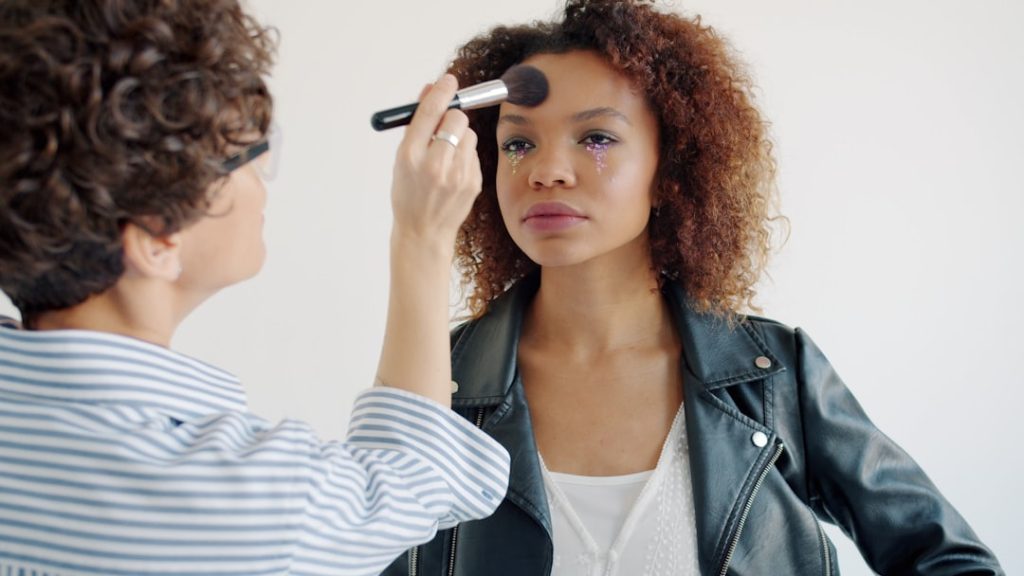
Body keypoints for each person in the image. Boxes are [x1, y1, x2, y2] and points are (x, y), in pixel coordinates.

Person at [381, 1, 1004, 575]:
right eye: (518, 142)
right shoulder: (438, 384)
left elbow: (950, 559)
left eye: (596, 137)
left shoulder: (773, 377)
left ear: (671, 164)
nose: (546, 171)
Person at [0, 1, 508, 575]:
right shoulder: (226, 500)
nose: (261, 183)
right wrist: (423, 235)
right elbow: (417, 476)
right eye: (246, 154)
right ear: (154, 240)